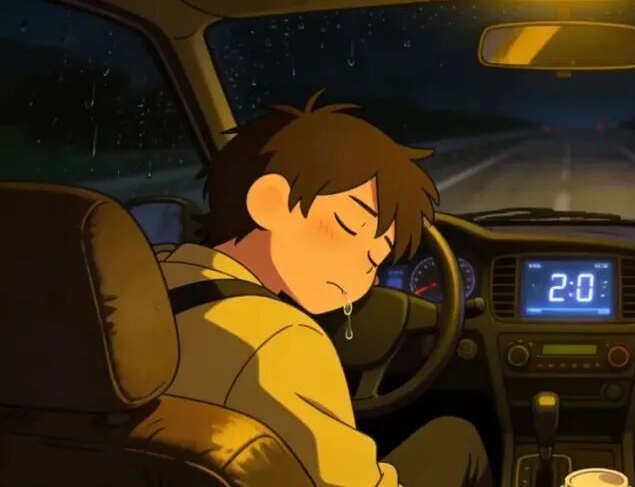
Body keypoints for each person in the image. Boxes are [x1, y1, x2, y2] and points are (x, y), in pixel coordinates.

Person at [159, 90, 493, 487]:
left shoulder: (157, 276)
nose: (370, 276)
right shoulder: (282, 338)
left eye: (379, 259)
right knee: (458, 438)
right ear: (271, 202)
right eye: (352, 226)